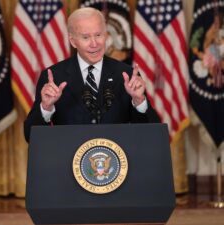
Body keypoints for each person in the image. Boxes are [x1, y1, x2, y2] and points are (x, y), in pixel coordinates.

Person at [24, 7, 160, 142]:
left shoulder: (126, 75)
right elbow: (30, 136)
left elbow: (153, 134)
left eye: (98, 35)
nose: (94, 44)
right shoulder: (54, 77)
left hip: (117, 160)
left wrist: (139, 101)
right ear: (73, 41)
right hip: (69, 160)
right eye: (85, 37)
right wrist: (46, 108)